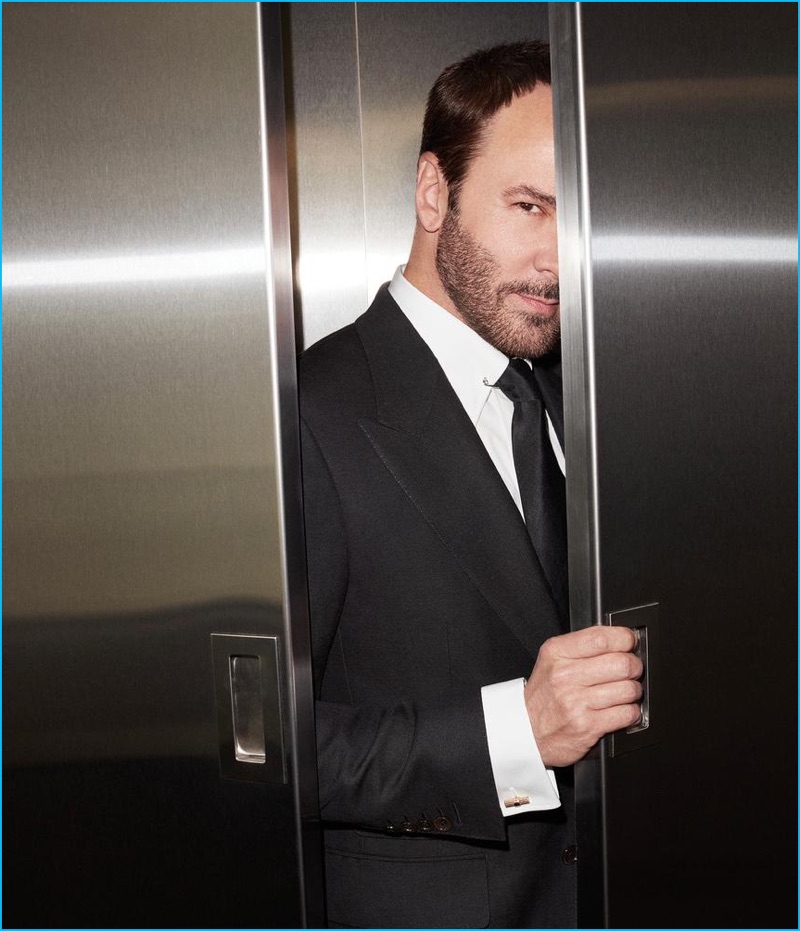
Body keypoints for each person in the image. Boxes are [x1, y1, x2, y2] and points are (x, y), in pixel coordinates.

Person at [299, 41, 642, 929]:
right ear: (432, 192)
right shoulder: (312, 412)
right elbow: (271, 745)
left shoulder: (584, 389)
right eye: (530, 206)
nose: (557, 259)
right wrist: (514, 735)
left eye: (575, 218)